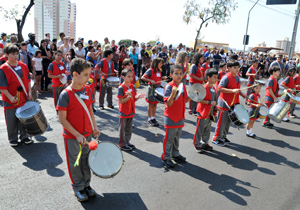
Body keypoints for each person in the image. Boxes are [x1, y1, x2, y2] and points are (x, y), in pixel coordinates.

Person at [57, 58, 100, 202]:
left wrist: (94, 127)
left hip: (87, 134)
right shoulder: (65, 94)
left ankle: (87, 185)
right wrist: (76, 134)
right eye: (86, 74)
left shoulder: (87, 89)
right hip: (73, 136)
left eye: (90, 74)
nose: (89, 77)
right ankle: (78, 187)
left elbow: (89, 110)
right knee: (75, 162)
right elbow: (62, 119)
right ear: (75, 74)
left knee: (86, 161)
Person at [0, 44, 32, 146]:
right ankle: (13, 138)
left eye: (16, 53)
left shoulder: (23, 66)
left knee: (24, 119)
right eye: (12, 54)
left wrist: (29, 92)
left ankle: (24, 136)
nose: (15, 56)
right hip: (9, 99)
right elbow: (2, 86)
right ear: (6, 55)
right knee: (11, 120)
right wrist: (10, 97)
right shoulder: (3, 68)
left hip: (23, 98)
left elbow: (28, 80)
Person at [161, 64, 191, 168]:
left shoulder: (182, 86)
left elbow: (185, 100)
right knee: (169, 138)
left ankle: (175, 154)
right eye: (176, 73)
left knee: (177, 137)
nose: (179, 75)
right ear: (171, 74)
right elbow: (168, 104)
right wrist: (173, 94)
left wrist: (193, 96)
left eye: (180, 73)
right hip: (171, 117)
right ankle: (166, 156)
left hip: (180, 116)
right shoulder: (169, 86)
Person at [212, 60, 246, 146]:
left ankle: (223, 136)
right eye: (235, 68)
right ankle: (216, 138)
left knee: (228, 121)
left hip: (233, 103)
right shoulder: (226, 77)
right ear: (229, 68)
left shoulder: (237, 76)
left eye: (238, 67)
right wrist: (232, 91)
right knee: (221, 121)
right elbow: (219, 88)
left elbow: (236, 89)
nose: (237, 69)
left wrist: (242, 95)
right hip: (224, 102)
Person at [117, 69, 145, 151]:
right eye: (128, 76)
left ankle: (127, 142)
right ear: (123, 77)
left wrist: (137, 97)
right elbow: (121, 101)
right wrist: (128, 97)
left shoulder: (132, 86)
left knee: (129, 129)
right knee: (122, 128)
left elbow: (133, 99)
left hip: (131, 111)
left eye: (131, 76)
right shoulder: (121, 88)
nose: (130, 78)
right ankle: (122, 144)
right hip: (123, 111)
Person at [193, 68, 220, 152]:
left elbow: (214, 101)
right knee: (200, 129)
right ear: (208, 77)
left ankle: (205, 143)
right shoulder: (203, 87)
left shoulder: (214, 89)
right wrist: (210, 102)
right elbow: (198, 99)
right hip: (202, 112)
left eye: (216, 77)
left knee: (207, 129)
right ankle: (197, 144)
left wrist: (216, 107)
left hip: (210, 113)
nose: (216, 79)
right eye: (214, 77)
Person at [141, 57, 166, 126]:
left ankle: (153, 117)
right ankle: (149, 119)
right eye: (160, 63)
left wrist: (162, 78)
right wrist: (150, 80)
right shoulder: (150, 70)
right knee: (151, 104)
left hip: (157, 89)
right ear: (156, 63)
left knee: (155, 104)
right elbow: (143, 77)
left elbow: (157, 78)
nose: (161, 65)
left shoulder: (159, 70)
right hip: (152, 89)